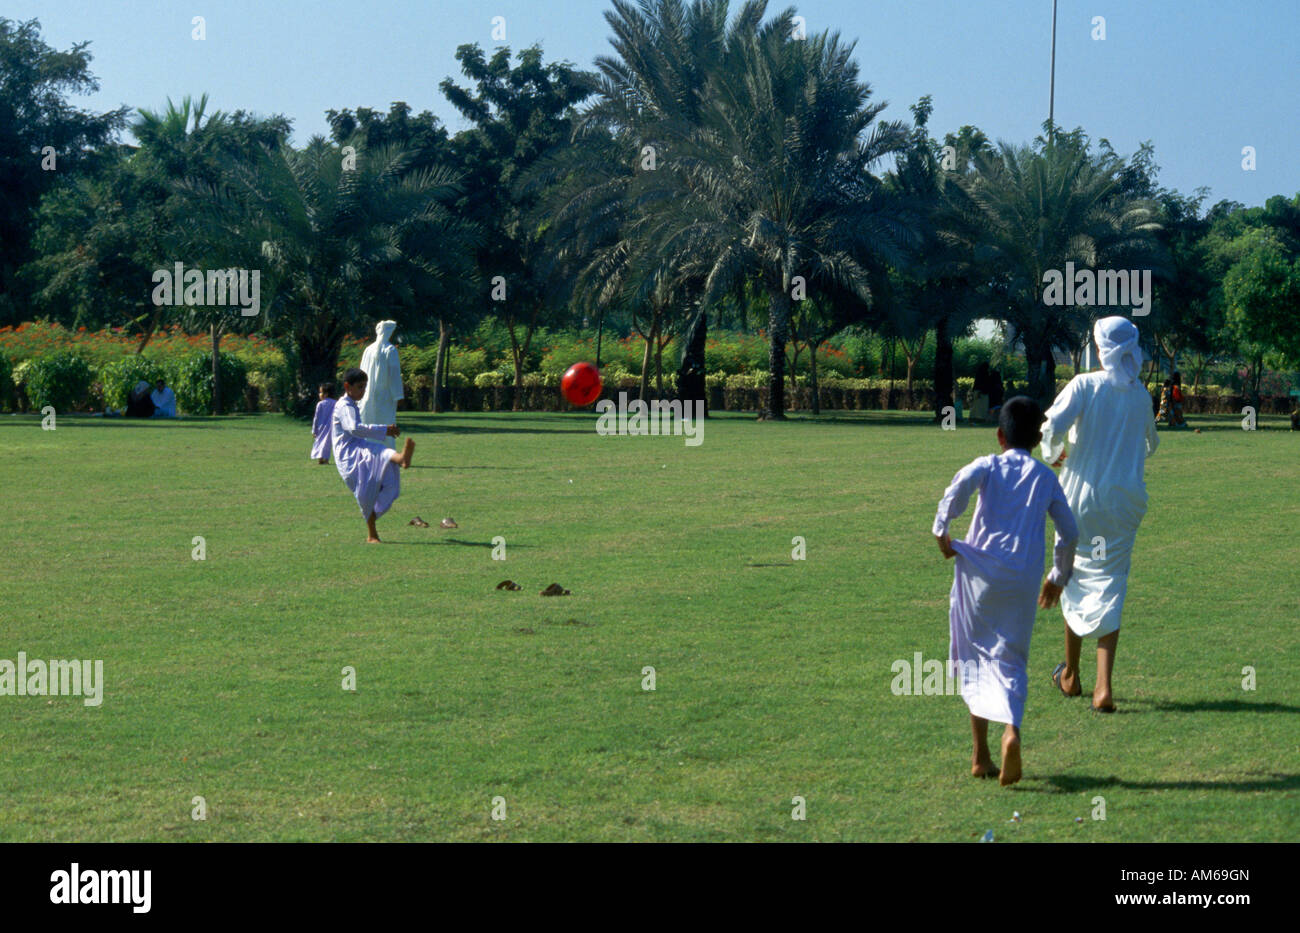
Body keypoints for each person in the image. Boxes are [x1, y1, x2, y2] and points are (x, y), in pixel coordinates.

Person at [933, 396, 1079, 786]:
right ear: (1036, 439)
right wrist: (1057, 576)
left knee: (976, 654)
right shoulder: (1047, 477)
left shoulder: (988, 465)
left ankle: (980, 754)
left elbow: (960, 485)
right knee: (1011, 657)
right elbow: (1071, 531)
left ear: (1000, 435)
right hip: (1023, 578)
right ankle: (1011, 730)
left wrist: (942, 528)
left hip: (980, 572)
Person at [1041, 316, 1159, 713]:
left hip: (1079, 500)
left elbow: (1050, 425)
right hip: (1124, 504)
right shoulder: (1140, 396)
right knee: (1111, 582)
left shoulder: (1084, 385)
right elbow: (1150, 445)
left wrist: (1056, 454)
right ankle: (1103, 686)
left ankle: (1071, 674)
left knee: (1071, 577)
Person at [332, 368, 414, 543]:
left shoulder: (352, 405)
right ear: (347, 386)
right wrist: (384, 429)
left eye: (364, 387)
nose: (363, 391)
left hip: (360, 448)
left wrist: (384, 430)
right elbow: (354, 429)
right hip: (349, 456)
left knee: (389, 484)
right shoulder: (344, 406)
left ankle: (400, 459)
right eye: (360, 387)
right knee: (365, 490)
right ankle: (400, 459)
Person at [359, 320, 403, 449]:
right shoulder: (390, 350)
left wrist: (360, 391)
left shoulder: (368, 350)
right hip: (385, 397)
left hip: (366, 394)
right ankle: (385, 453)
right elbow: (394, 375)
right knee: (385, 423)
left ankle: (369, 451)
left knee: (369, 423)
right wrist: (398, 396)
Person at [311, 383, 336, 464]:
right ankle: (325, 458)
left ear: (326, 394)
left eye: (321, 392)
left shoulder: (320, 404)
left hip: (321, 426)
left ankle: (321, 458)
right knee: (327, 443)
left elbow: (316, 418)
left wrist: (314, 430)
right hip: (332, 426)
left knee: (319, 441)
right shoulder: (336, 403)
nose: (319, 394)